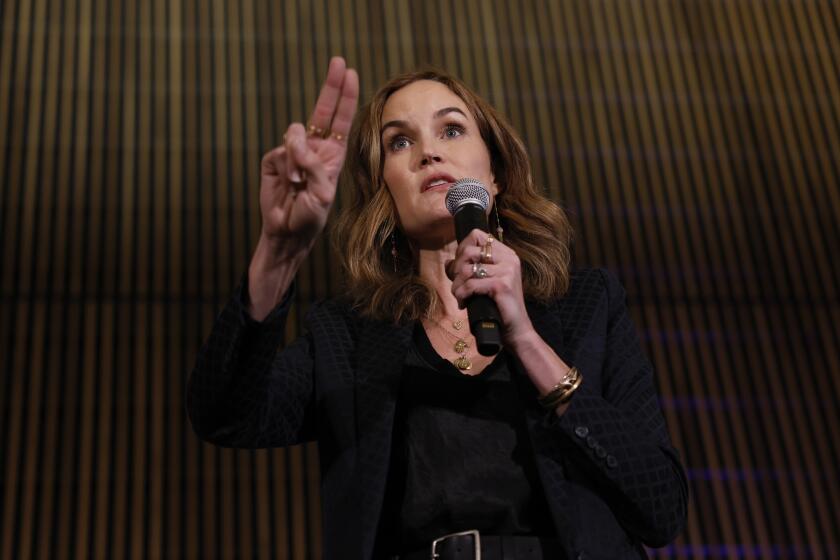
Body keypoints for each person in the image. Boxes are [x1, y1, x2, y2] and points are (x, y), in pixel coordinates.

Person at [188, 56, 688, 560]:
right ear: (385, 189)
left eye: (451, 130)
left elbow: (661, 507)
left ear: (494, 174)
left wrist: (529, 344)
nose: (428, 152)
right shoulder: (346, 334)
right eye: (399, 142)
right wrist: (279, 252)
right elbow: (226, 416)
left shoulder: (588, 305)